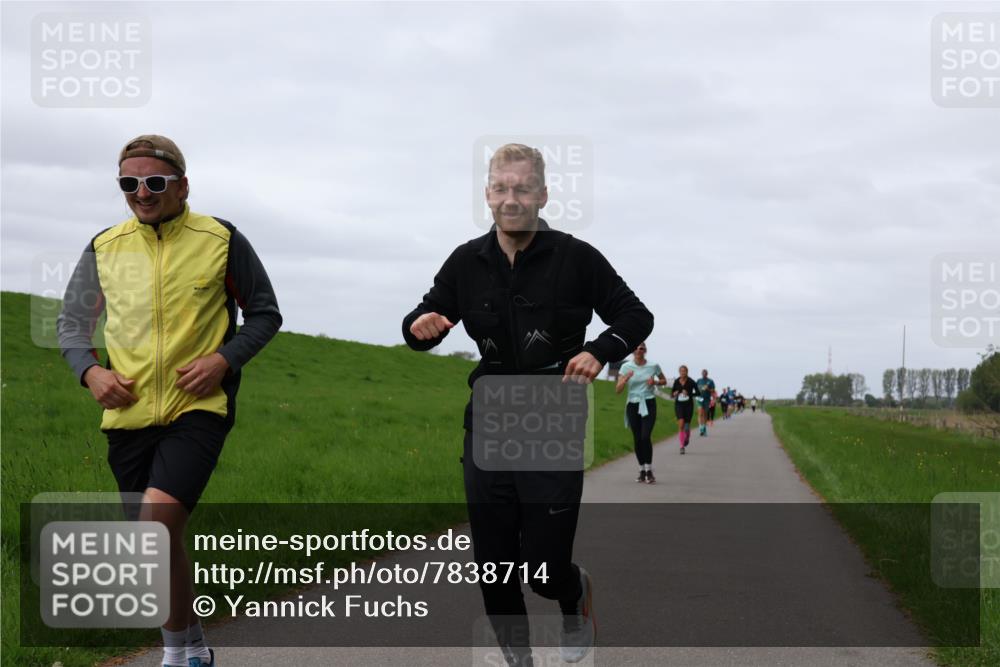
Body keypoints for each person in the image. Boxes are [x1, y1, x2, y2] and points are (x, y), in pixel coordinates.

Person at [402, 143, 653, 666]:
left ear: (542, 195)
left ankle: (573, 594)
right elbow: (426, 319)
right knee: (494, 565)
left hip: (553, 420)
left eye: (522, 188)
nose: (510, 198)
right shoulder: (466, 261)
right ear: (487, 195)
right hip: (489, 420)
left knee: (544, 566)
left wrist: (598, 350)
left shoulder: (577, 257)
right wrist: (418, 327)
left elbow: (635, 316)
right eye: (500, 188)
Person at [57, 135, 282, 667]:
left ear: (182, 186)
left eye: (154, 182)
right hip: (127, 412)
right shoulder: (104, 246)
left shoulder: (221, 239)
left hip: (197, 408)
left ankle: (176, 658)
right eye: (129, 183)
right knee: (154, 541)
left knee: (155, 526)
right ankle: (192, 649)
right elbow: (71, 324)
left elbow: (265, 314)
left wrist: (223, 360)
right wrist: (91, 372)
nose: (142, 192)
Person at [616, 343, 667, 483]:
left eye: (642, 348)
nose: (639, 350)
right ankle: (641, 470)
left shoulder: (653, 366)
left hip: (648, 402)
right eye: (637, 348)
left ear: (645, 351)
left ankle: (649, 470)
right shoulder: (625, 367)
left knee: (645, 436)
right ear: (633, 351)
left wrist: (655, 382)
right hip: (632, 404)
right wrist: (624, 380)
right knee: (637, 438)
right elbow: (618, 390)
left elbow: (664, 380)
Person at [671, 365, 700, 454]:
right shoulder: (676, 381)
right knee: (681, 424)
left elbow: (698, 393)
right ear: (679, 372)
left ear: (687, 372)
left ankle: (687, 437)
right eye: (681, 371)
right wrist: (674, 393)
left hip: (688, 405)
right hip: (679, 405)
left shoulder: (691, 381)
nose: (683, 372)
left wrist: (689, 394)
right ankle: (682, 446)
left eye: (684, 371)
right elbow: (671, 394)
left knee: (687, 426)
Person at [695, 369, 716, 437]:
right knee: (700, 412)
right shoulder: (699, 380)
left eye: (705, 373)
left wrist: (708, 389)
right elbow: (695, 388)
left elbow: (713, 390)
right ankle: (701, 428)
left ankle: (704, 428)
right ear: (701, 374)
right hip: (699, 398)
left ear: (707, 374)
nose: (704, 374)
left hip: (707, 399)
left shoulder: (710, 381)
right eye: (703, 373)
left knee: (705, 413)